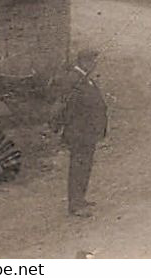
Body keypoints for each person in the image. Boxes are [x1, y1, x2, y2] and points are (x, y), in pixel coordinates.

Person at [52, 49, 108, 217]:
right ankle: (75, 204)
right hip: (80, 132)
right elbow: (68, 107)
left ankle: (80, 198)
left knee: (85, 166)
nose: (94, 65)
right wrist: (72, 128)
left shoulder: (84, 79)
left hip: (87, 132)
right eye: (92, 61)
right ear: (84, 62)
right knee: (78, 166)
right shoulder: (74, 80)